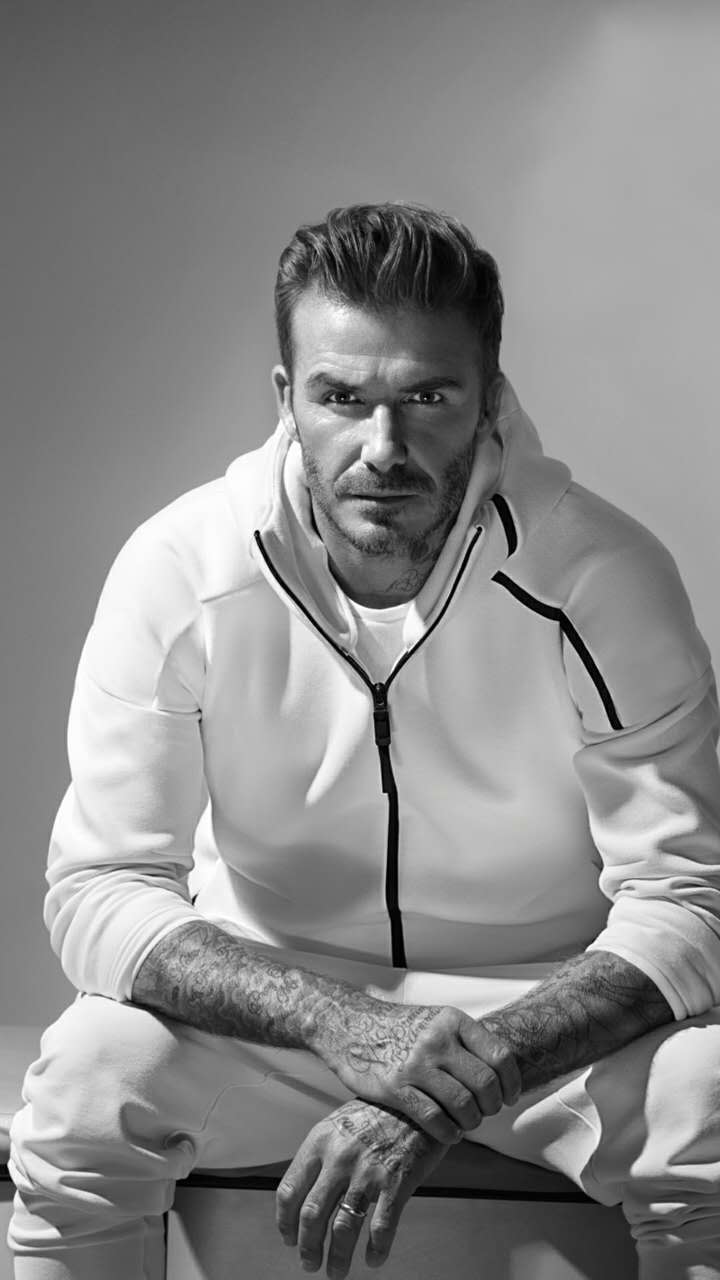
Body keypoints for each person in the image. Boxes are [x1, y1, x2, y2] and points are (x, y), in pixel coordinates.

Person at [8, 201, 720, 1280]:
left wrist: (453, 1076)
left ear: (490, 396)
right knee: (84, 1085)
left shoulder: (603, 577)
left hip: (538, 1020)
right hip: (276, 1017)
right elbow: (101, 886)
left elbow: (691, 899)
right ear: (288, 398)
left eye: (428, 397)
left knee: (706, 1099)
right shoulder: (182, 566)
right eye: (342, 398)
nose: (383, 449)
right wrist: (339, 1023)